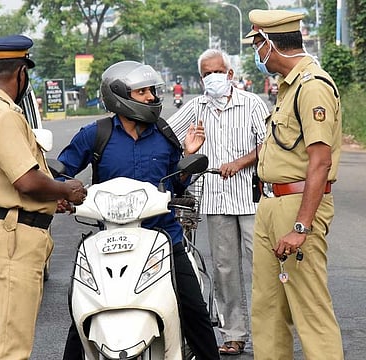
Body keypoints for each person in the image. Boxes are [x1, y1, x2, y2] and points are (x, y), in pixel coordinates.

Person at [57, 60, 220, 360]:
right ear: (119, 97)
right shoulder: (96, 134)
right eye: (142, 92)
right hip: (110, 240)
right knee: (84, 309)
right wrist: (62, 194)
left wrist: (189, 157)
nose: (151, 97)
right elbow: (61, 173)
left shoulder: (164, 135)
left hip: (164, 238)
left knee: (194, 309)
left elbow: (177, 184)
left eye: (151, 91)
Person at [0, 34, 87, 360]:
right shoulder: (3, 115)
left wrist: (48, 200)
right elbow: (25, 181)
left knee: (5, 340)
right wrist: (65, 189)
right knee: (9, 349)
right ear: (20, 73)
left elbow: (2, 181)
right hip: (13, 238)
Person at [246, 9, 344, 359]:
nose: (256, 55)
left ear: (269, 44)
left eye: (256, 46)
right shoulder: (288, 89)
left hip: (297, 207)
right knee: (267, 308)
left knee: (310, 309)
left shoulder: (313, 87)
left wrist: (301, 226)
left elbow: (320, 162)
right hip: (272, 204)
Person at [167, 49, 269, 355]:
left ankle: (269, 332)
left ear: (230, 74)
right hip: (214, 199)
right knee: (225, 270)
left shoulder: (251, 103)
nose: (213, 77)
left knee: (261, 267)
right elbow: (165, 132)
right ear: (201, 79)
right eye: (207, 73)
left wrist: (239, 163)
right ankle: (233, 334)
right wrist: (186, 151)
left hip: (251, 200)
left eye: (217, 71)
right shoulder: (196, 107)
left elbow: (268, 144)